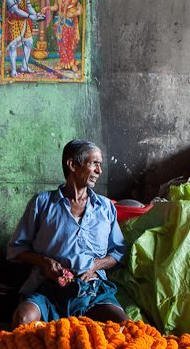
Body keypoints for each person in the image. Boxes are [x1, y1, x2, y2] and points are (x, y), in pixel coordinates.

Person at [8, 139, 127, 327]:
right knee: (23, 319)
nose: (99, 171)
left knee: (123, 326)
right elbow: (17, 249)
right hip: (48, 289)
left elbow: (118, 253)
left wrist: (95, 265)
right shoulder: (42, 203)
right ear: (72, 164)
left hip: (92, 291)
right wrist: (46, 263)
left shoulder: (105, 207)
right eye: (94, 163)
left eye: (100, 165)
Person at [41, 0, 82, 72]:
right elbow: (56, 7)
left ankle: (71, 63)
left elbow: (80, 11)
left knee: (68, 43)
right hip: (59, 23)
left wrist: (72, 14)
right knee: (60, 44)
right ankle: (64, 62)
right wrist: (47, 8)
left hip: (69, 23)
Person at [5, 0, 44, 77]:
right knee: (13, 46)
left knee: (29, 43)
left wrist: (36, 14)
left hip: (25, 23)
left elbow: (29, 6)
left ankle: (24, 66)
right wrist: (30, 16)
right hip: (13, 23)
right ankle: (13, 69)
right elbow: (16, 10)